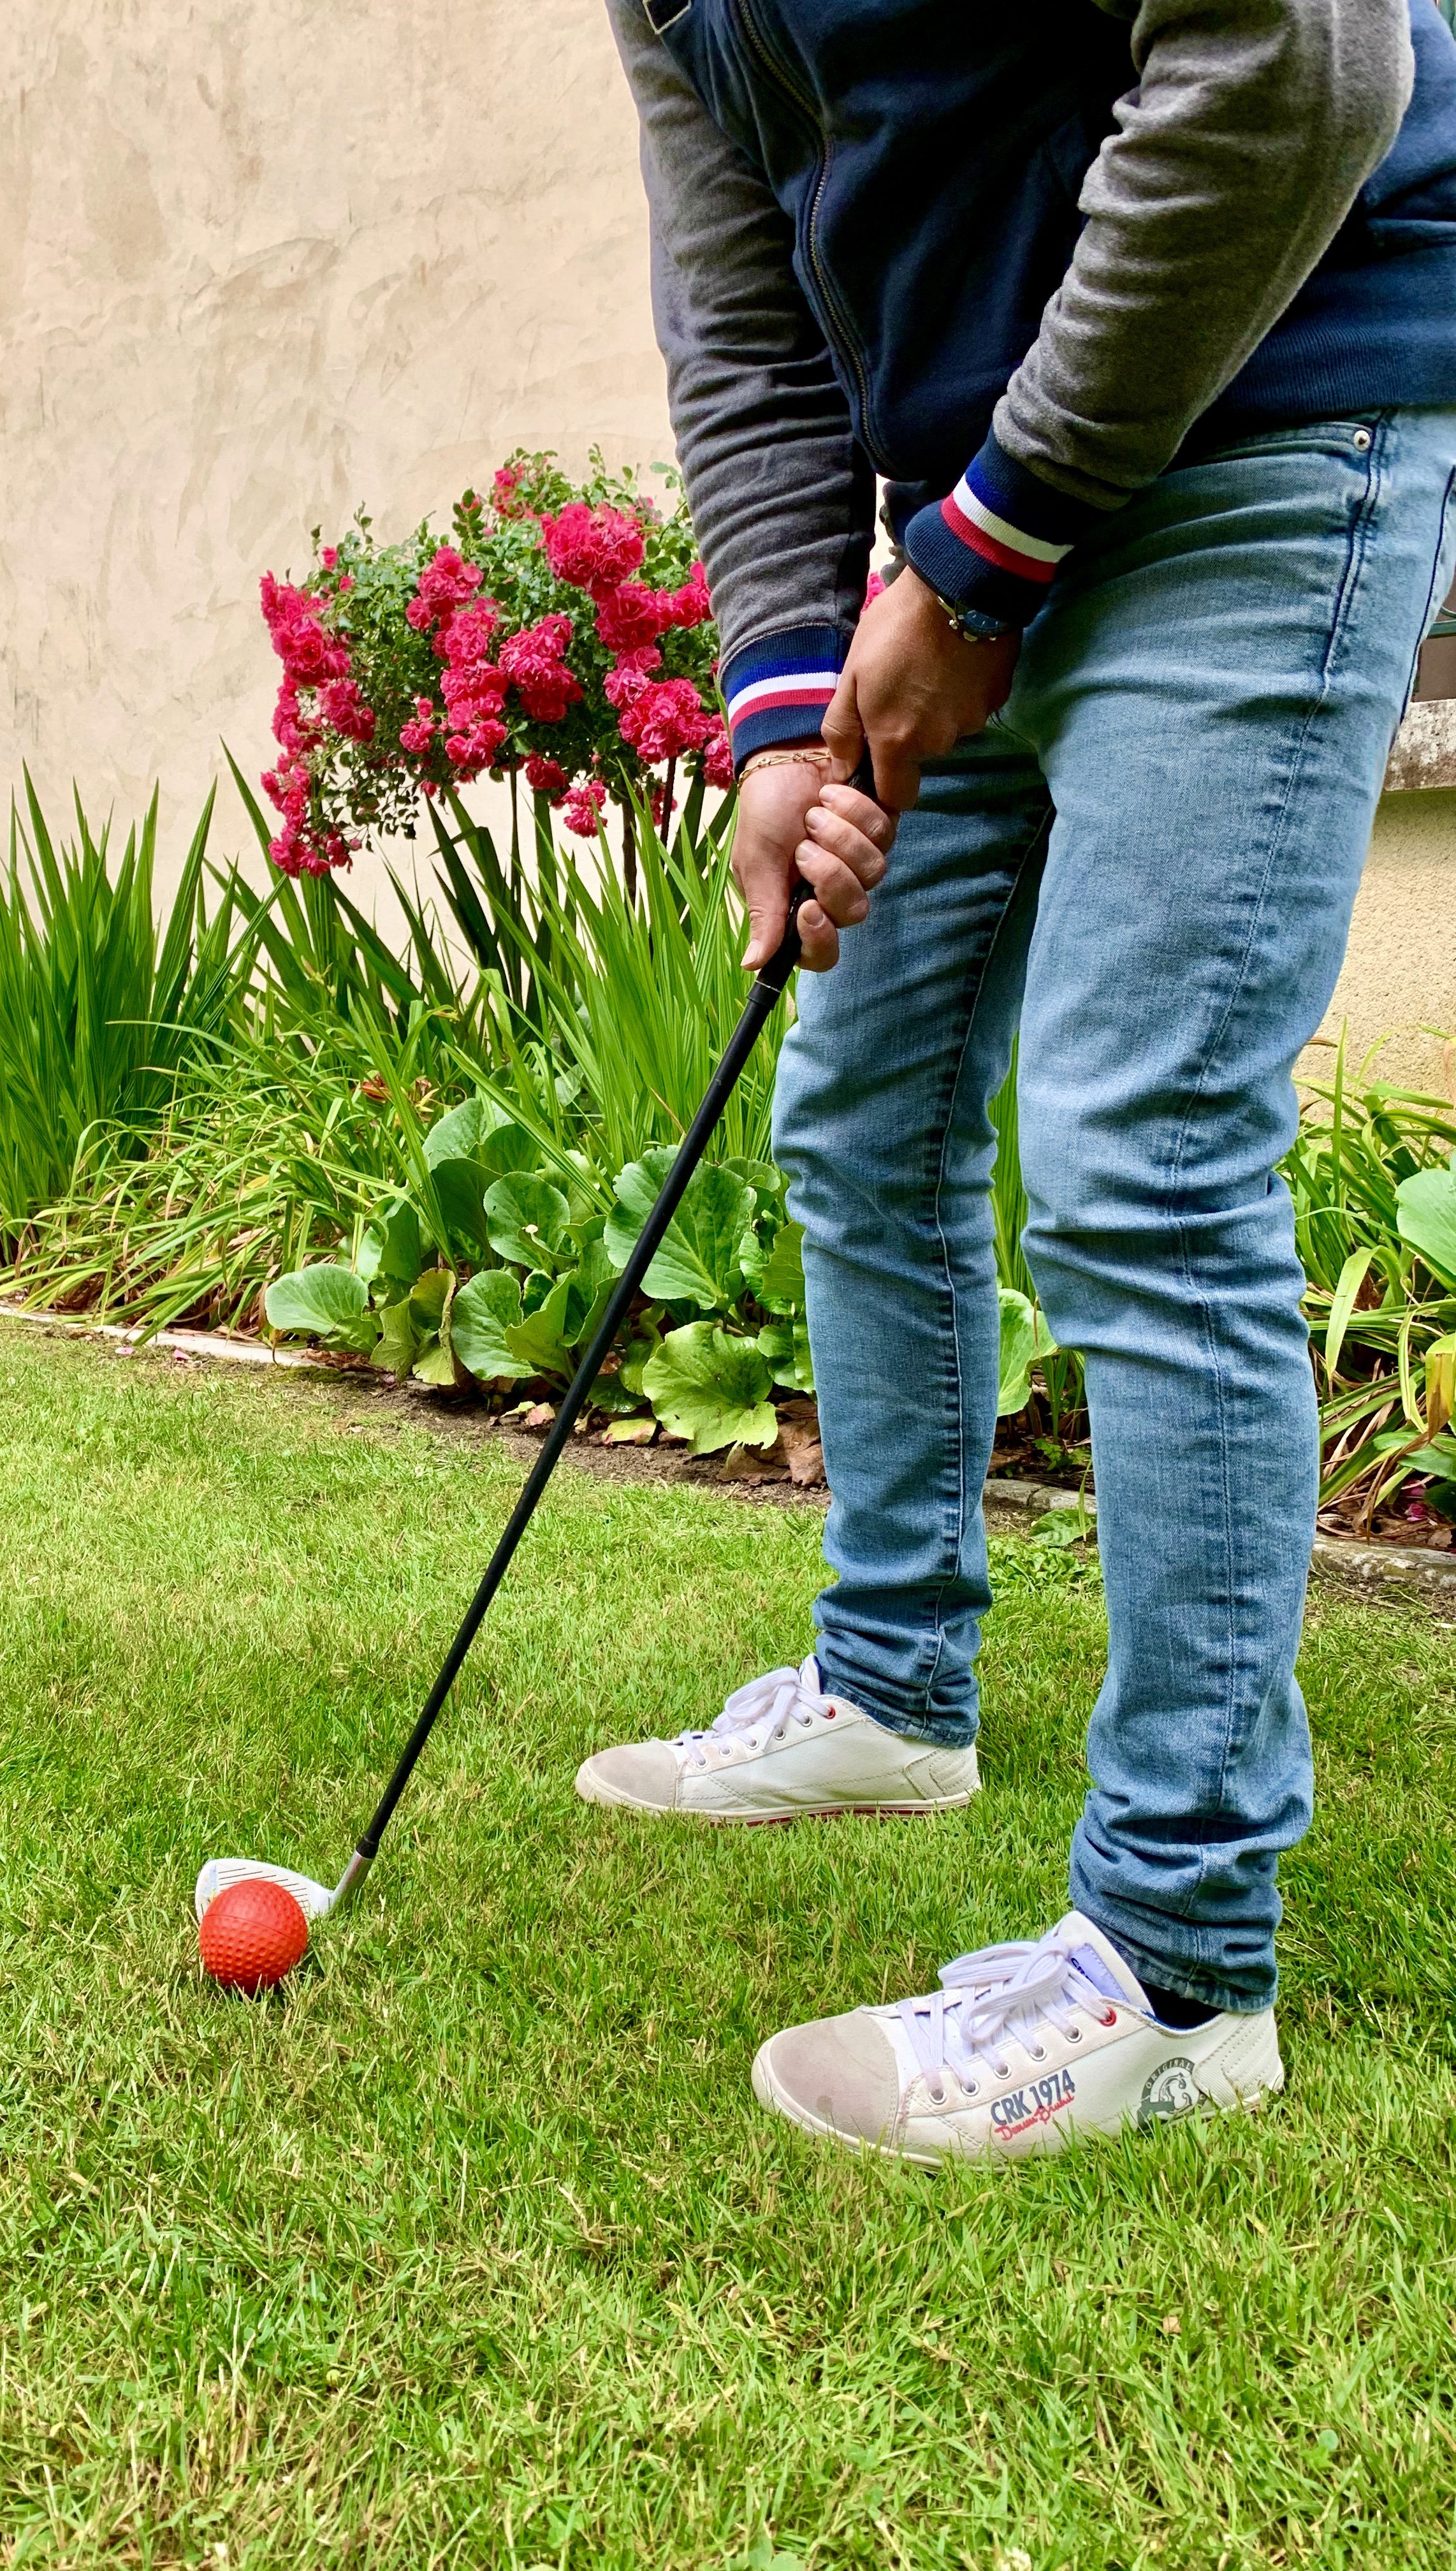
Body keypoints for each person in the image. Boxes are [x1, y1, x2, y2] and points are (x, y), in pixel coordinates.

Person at [578, 0, 1456, 2162]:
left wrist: (985, 557)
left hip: (1279, 409)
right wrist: (789, 713)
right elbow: (753, 317)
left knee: (1138, 1156)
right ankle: (893, 1695)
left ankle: (1178, 1966)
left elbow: (1302, 73)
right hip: (979, 501)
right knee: (857, 1104)